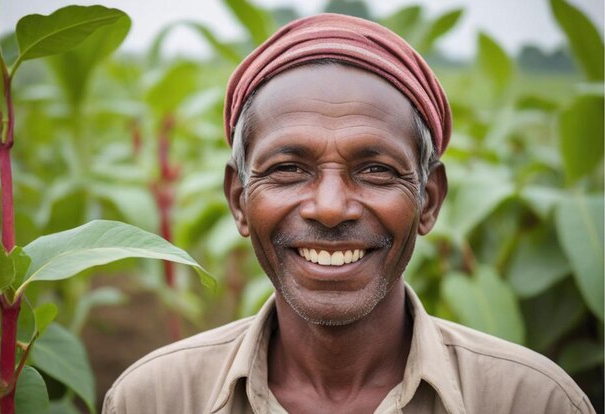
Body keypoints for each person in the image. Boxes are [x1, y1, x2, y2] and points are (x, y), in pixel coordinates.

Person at [102, 14, 595, 414]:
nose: (331, 208)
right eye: (289, 168)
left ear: (428, 200)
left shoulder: (532, 401)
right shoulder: (152, 399)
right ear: (238, 200)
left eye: (376, 170)